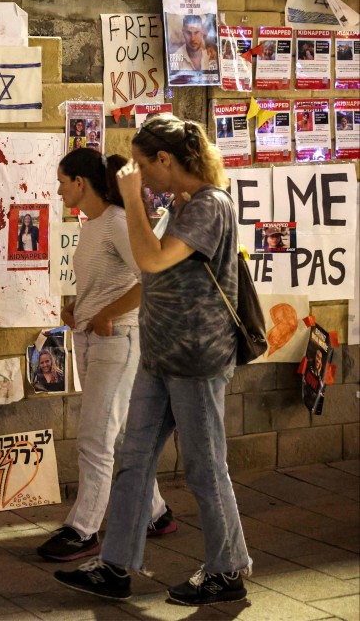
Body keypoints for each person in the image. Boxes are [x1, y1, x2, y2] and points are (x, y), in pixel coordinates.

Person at [55, 116, 250, 606]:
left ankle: (227, 572)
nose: (137, 173)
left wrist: (135, 200)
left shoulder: (210, 206)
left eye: (144, 164)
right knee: (134, 459)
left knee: (205, 469)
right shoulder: (183, 204)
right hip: (160, 356)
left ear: (166, 160)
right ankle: (116, 566)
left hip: (197, 359)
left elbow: (153, 259)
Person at [38, 147, 174, 562]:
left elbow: (152, 276)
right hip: (95, 338)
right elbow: (105, 284)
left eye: (62, 182)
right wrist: (79, 309)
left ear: (80, 183)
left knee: (95, 437)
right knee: (114, 433)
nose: (59, 189)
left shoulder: (116, 222)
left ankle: (84, 529)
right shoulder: (93, 224)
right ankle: (156, 513)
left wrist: (106, 315)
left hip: (119, 341)